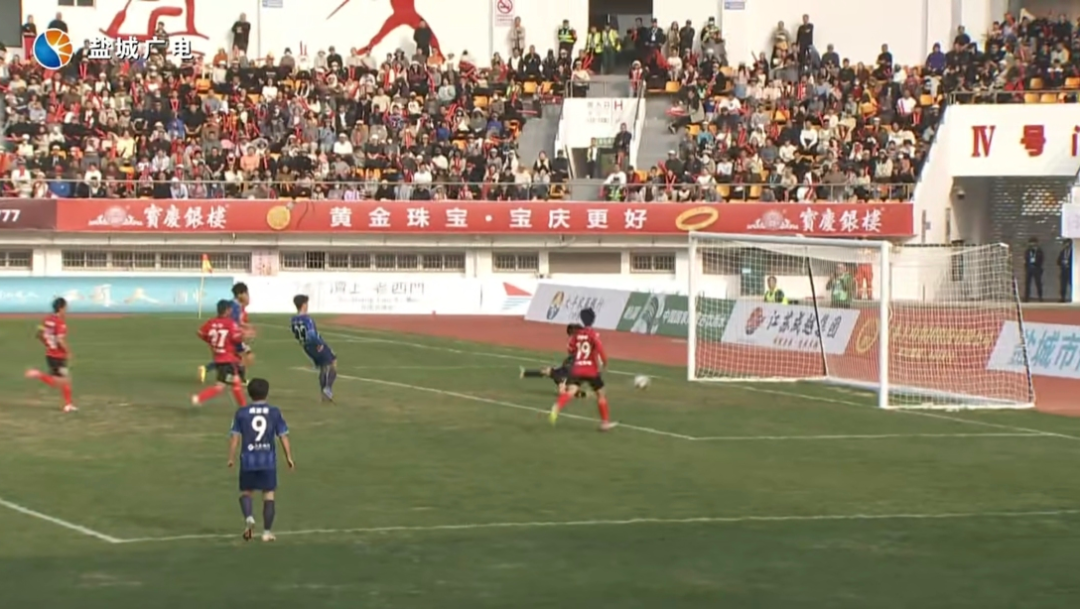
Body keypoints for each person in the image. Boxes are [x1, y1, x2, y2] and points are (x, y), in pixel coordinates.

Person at [228, 378, 294, 542]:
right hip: (267, 460)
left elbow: (235, 437)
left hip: (248, 460)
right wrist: (289, 457)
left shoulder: (241, 413)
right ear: (267, 393)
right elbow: (283, 436)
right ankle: (266, 532)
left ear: (249, 393)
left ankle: (249, 518)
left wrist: (231, 458)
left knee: (246, 492)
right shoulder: (274, 412)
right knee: (269, 494)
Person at [549, 308, 617, 431]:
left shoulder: (577, 335)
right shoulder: (593, 334)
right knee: (601, 394)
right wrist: (605, 363)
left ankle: (557, 407)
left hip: (577, 369)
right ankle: (605, 423)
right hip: (591, 370)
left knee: (571, 390)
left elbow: (570, 349)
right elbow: (600, 350)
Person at [192, 300, 248, 407]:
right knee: (233, 383)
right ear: (227, 310)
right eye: (230, 309)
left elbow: (199, 332)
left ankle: (199, 398)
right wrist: (245, 335)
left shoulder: (211, 322)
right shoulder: (230, 323)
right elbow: (236, 339)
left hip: (218, 359)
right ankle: (244, 407)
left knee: (223, 385)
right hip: (228, 360)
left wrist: (209, 341)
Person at [25, 297, 76, 413]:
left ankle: (68, 405)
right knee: (59, 382)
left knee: (65, 380)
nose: (67, 310)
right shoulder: (60, 323)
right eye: (66, 307)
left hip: (50, 354)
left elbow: (39, 334)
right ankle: (37, 374)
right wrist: (68, 352)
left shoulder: (46, 319)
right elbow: (60, 340)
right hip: (58, 356)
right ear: (61, 308)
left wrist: (48, 345)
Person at [200, 282, 254, 383]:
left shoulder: (234, 305)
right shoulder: (235, 307)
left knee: (230, 358)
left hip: (227, 336)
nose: (248, 296)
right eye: (246, 293)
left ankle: (207, 369)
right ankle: (239, 379)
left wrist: (246, 327)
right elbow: (232, 323)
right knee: (246, 356)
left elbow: (235, 321)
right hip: (231, 337)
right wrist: (244, 331)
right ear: (239, 295)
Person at [290, 294, 338, 401]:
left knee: (323, 367)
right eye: (306, 303)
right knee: (332, 362)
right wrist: (319, 343)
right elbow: (311, 334)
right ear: (303, 305)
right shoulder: (308, 319)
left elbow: (295, 333)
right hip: (315, 344)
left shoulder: (293, 319)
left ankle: (324, 395)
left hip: (306, 346)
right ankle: (327, 389)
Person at [521, 323, 587, 398]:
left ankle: (570, 391)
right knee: (552, 373)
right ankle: (575, 391)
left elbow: (573, 352)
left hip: (571, 368)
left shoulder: (574, 342)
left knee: (554, 375)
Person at [1024, 237, 1045, 303]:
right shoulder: (1028, 251)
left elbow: (1041, 259)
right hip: (1029, 268)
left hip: (1037, 268)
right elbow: (1026, 259)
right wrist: (1027, 266)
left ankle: (1040, 297)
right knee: (1027, 283)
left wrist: (1037, 264)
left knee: (1038, 283)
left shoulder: (1039, 251)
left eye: (1033, 243)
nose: (1032, 244)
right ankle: (1026, 298)